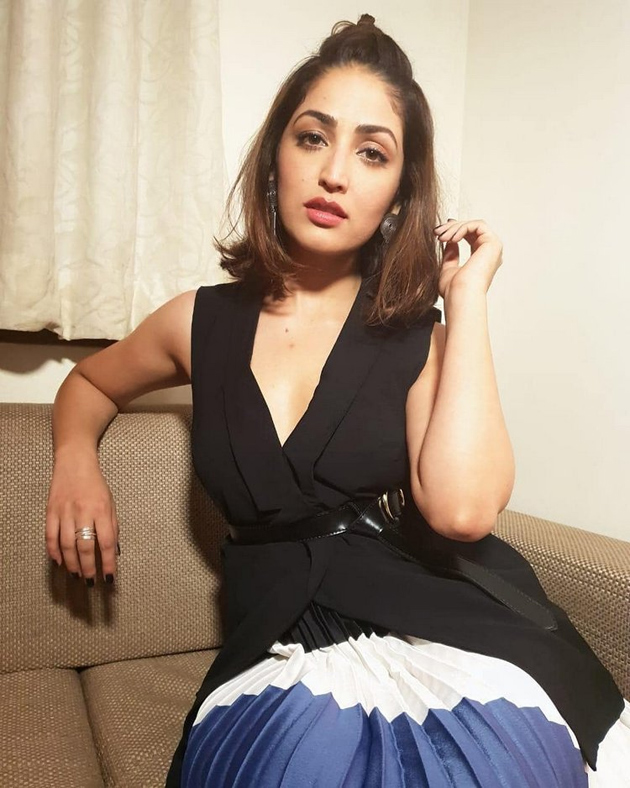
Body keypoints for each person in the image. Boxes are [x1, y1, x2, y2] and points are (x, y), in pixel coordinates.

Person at [45, 14, 630, 788]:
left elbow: (462, 514)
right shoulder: (197, 322)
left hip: (430, 620)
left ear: (398, 194)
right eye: (312, 138)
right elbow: (88, 382)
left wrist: (466, 300)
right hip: (276, 637)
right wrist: (75, 461)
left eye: (372, 153)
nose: (334, 174)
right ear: (273, 160)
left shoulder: (418, 335)